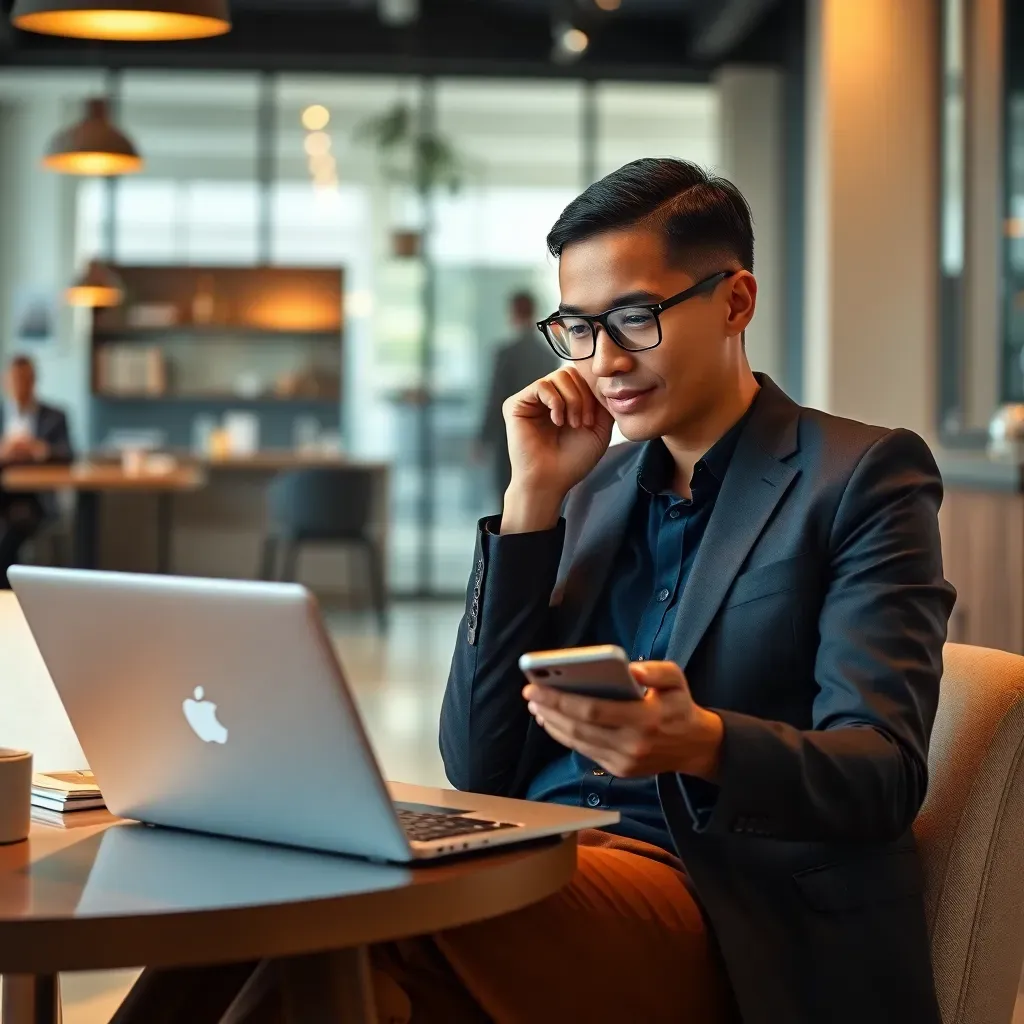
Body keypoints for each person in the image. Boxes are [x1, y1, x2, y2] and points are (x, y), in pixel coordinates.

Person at [108, 159, 955, 1024]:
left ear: (736, 301)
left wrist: (702, 743)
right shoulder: (590, 490)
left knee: (356, 918)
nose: (605, 361)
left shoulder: (858, 476)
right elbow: (476, 761)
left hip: (719, 904)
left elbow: (883, 773)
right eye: (578, 328)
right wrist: (530, 506)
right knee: (283, 900)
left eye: (635, 318)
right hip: (539, 864)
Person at [477, 290, 561, 506]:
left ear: (513, 313)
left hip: (508, 437)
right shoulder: (547, 355)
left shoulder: (506, 353)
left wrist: (483, 438)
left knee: (507, 499)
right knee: (535, 498)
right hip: (541, 436)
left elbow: (496, 398)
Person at [0, 355, 73, 588]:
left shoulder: (54, 416)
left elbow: (68, 455)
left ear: (34, 381)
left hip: (35, 499)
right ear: (6, 382)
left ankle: (8, 589)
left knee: (11, 530)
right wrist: (5, 451)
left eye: (25, 379)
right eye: (15, 380)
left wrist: (38, 449)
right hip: (3, 494)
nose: (20, 385)